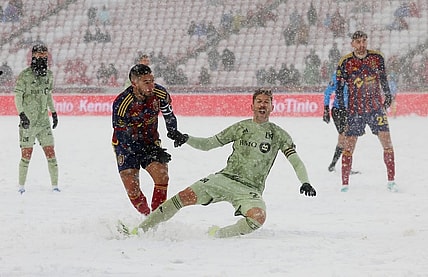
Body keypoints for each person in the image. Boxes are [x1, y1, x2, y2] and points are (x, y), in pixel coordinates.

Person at [120, 88, 317, 238]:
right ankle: (139, 231)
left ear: (273, 107)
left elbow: (296, 161)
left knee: (258, 218)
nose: (262, 105)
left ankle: (216, 235)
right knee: (182, 197)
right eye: (259, 101)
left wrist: (305, 181)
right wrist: (186, 138)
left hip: (250, 190)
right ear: (252, 105)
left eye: (267, 102)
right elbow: (209, 144)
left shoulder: (278, 134)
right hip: (224, 179)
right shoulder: (241, 127)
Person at [112, 64, 184, 215]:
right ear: (134, 83)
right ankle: (146, 215)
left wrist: (174, 131)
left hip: (150, 142)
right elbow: (121, 133)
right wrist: (138, 149)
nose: (151, 85)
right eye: (146, 82)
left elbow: (168, 114)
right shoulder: (122, 103)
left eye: (152, 80)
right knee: (132, 189)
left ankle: (156, 217)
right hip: (125, 146)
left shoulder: (160, 93)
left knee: (162, 175)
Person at [335, 31, 396, 192]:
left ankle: (391, 181)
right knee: (348, 148)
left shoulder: (377, 58)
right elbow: (340, 88)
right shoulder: (345, 62)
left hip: (376, 108)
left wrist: (388, 95)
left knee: (387, 144)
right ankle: (345, 185)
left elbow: (383, 78)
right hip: (355, 111)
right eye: (358, 42)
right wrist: (341, 108)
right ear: (352, 44)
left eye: (364, 41)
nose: (362, 45)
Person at [14, 43, 59, 194]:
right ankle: (21, 186)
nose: (42, 59)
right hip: (28, 122)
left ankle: (55, 186)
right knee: (26, 154)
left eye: (45, 56)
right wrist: (21, 114)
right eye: (39, 56)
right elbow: (18, 96)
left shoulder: (49, 75)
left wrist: (53, 112)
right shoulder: (24, 76)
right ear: (33, 56)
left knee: (51, 152)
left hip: (43, 121)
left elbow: (48, 95)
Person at [323, 72, 360, 174]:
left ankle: (335, 164)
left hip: (350, 111)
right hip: (339, 111)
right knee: (346, 136)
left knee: (350, 138)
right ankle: (344, 166)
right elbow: (327, 92)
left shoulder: (356, 76)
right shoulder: (337, 76)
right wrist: (326, 109)